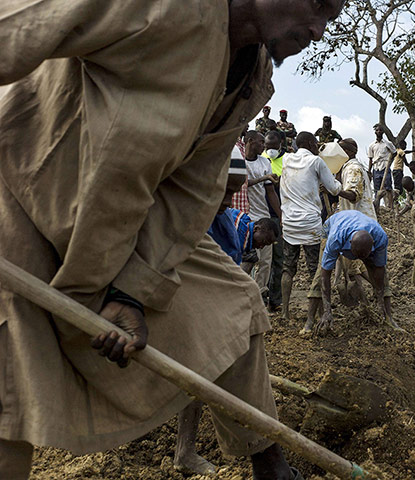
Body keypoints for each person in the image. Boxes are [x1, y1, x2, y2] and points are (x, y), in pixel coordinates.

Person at [0, 1, 345, 479]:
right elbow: (21, 23)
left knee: (236, 304)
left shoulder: (251, 74)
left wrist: (133, 292)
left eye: (331, 16)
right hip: (23, 203)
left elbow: (193, 189)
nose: (319, 29)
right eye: (318, 5)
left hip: (126, 232)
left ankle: (270, 466)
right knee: (7, 400)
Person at [177, 156, 280, 474]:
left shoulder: (225, 224)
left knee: (198, 378)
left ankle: (185, 452)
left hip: (198, 306)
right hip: (176, 299)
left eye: (230, 195)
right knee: (202, 372)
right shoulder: (203, 217)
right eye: (222, 192)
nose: (224, 203)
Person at [279, 132, 354, 322]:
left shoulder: (287, 159)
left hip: (288, 223)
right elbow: (334, 189)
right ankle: (320, 314)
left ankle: (285, 312)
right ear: (311, 144)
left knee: (288, 268)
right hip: (310, 223)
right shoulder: (316, 162)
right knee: (315, 269)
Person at [304, 210, 399, 335]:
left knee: (382, 276)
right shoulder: (334, 239)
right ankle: (310, 321)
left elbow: (380, 270)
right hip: (331, 227)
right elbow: (325, 274)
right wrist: (328, 310)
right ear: (350, 245)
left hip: (358, 230)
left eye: (364, 256)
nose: (360, 258)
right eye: (357, 255)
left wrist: (380, 299)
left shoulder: (380, 237)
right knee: (318, 276)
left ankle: (388, 317)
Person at [244, 131, 282, 301]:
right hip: (245, 215)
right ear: (250, 141)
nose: (264, 146)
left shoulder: (264, 162)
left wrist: (281, 216)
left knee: (265, 261)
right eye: (261, 142)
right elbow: (243, 184)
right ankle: (243, 292)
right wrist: (263, 178)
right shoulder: (239, 161)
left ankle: (258, 295)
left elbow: (270, 191)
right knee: (249, 259)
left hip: (262, 214)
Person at [263, 131, 286, 311]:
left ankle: (275, 300)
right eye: (267, 147)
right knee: (261, 260)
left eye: (273, 147)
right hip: (262, 214)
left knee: (278, 259)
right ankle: (260, 297)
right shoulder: (261, 159)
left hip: (278, 216)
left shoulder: (288, 160)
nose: (270, 150)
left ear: (281, 144)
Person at [367, 124, 396, 207]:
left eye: (380, 130)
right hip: (376, 168)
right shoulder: (372, 145)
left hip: (385, 167)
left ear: (383, 132)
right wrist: (369, 171)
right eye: (377, 130)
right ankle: (377, 206)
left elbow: (394, 152)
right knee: (377, 189)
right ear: (375, 132)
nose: (378, 132)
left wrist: (389, 163)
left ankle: (390, 206)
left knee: (388, 188)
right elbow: (370, 159)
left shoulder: (387, 143)